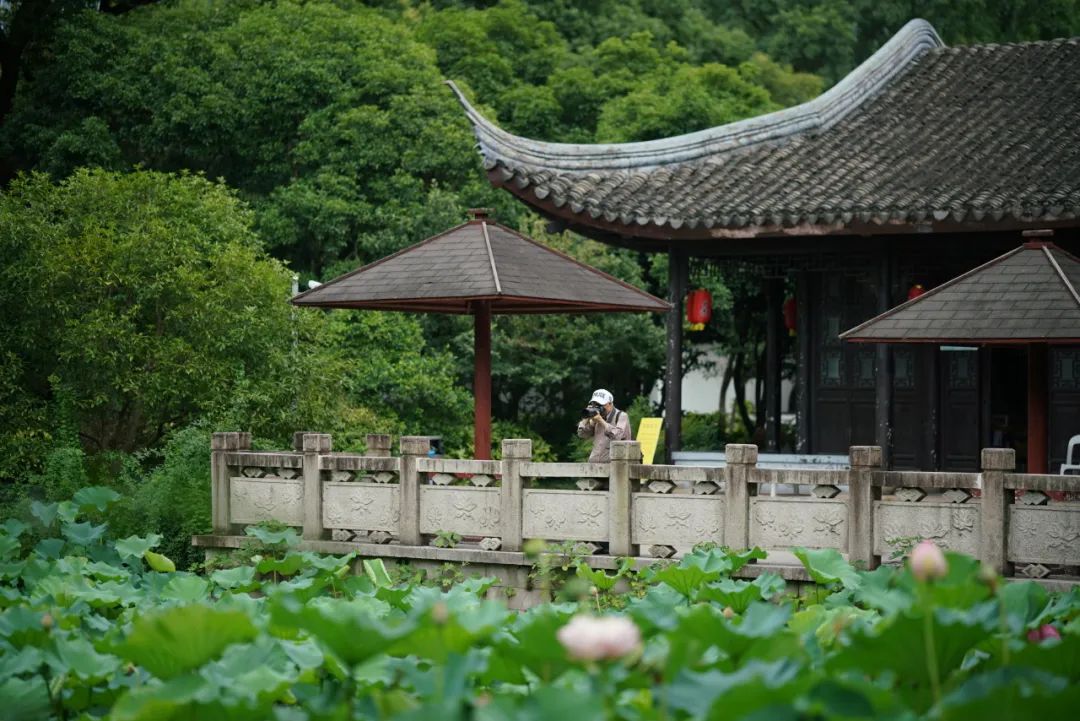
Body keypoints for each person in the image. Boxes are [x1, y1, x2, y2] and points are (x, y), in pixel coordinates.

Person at [576, 388, 631, 462]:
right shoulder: (596, 418)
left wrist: (601, 421)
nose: (597, 407)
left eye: (600, 405)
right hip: (594, 465)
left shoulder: (621, 416)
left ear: (610, 403)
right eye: (594, 404)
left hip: (616, 466)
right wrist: (586, 418)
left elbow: (617, 436)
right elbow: (582, 434)